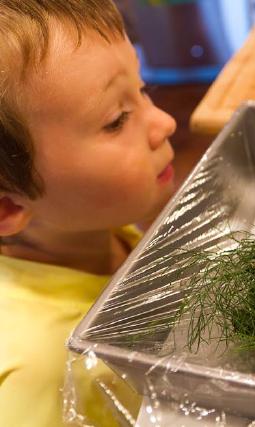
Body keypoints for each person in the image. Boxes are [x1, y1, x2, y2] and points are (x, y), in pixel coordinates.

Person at [0, 1, 177, 425]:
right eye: (116, 120)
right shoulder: (41, 373)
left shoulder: (88, 226)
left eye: (144, 89)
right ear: (8, 205)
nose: (166, 123)